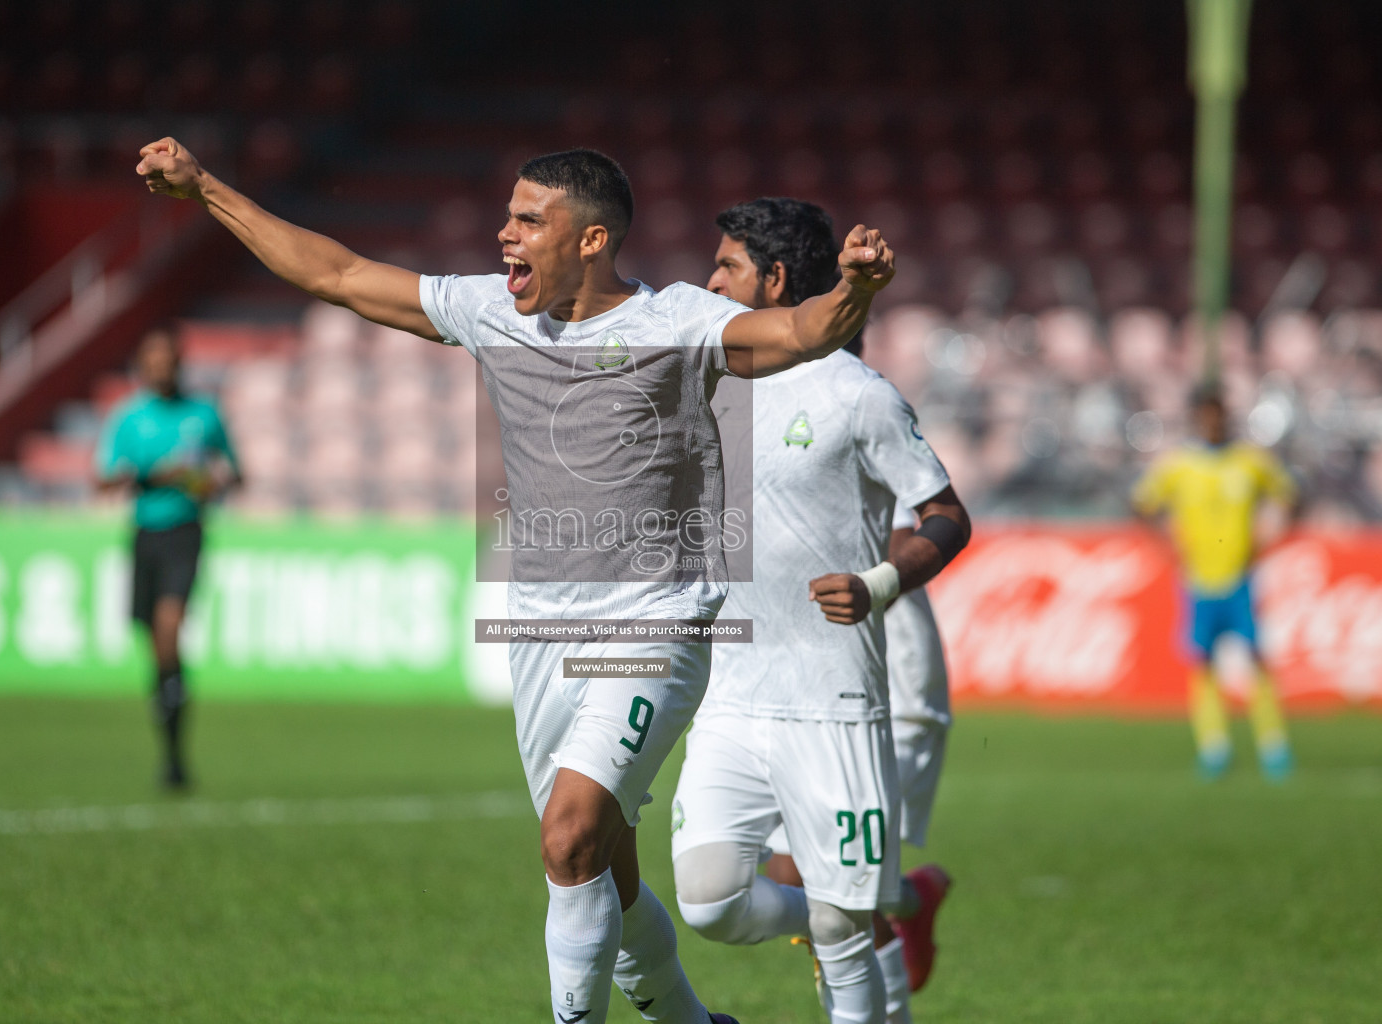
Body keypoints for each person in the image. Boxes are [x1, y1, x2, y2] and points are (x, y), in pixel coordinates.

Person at [136, 138, 896, 1024]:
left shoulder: (676, 324)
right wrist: (206, 189)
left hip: (653, 627)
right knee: (601, 867)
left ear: (590, 240)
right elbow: (339, 275)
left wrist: (857, 291)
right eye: (507, 215)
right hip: (539, 631)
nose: (505, 235)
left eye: (529, 220)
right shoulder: (492, 312)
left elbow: (803, 332)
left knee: (568, 835)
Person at [672, 198, 968, 1024]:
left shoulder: (858, 395)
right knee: (707, 900)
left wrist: (877, 583)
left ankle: (859, 926)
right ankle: (866, 908)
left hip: (832, 704)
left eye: (726, 266)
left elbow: (946, 517)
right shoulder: (706, 385)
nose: (708, 280)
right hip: (732, 699)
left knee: (842, 929)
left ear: (772, 281)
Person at [94, 325, 241, 790]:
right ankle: (171, 736)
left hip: (185, 533)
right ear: (142, 366)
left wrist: (204, 483)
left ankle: (175, 760)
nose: (160, 367)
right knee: (155, 646)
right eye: (151, 359)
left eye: (167, 358)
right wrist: (150, 475)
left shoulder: (204, 414)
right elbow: (102, 481)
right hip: (144, 534)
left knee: (168, 629)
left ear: (179, 363)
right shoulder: (128, 418)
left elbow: (235, 474)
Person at [1132, 386, 1298, 780]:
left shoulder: (1250, 461)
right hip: (1197, 580)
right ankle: (1214, 748)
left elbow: (1289, 496)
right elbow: (1141, 504)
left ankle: (1274, 747)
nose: (1212, 421)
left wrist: (1270, 536)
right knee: (1202, 664)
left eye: (1217, 413)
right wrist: (1167, 547)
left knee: (1256, 661)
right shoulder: (1177, 465)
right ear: (1195, 418)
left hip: (1241, 577)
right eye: (1205, 414)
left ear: (1226, 415)